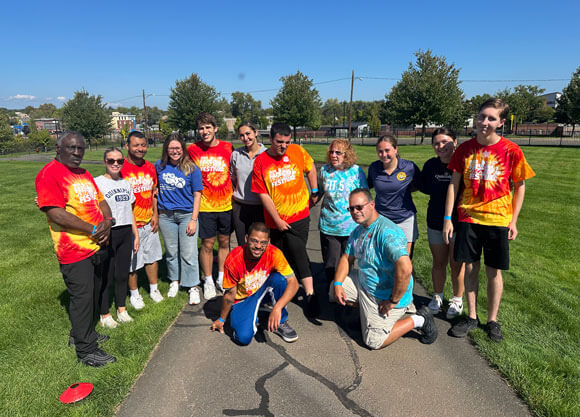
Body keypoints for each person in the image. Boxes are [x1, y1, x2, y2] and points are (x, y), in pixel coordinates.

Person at [443, 98, 535, 342]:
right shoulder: (464, 149)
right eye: (482, 116)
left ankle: (492, 320)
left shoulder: (511, 150)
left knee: (493, 271)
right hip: (468, 217)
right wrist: (447, 218)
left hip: (497, 219)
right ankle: (472, 317)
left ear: (501, 122)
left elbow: (520, 186)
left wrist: (513, 221)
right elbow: (453, 184)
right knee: (471, 267)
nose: (484, 122)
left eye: (491, 118)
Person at [35, 131, 116, 367]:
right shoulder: (50, 174)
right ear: (58, 148)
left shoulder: (83, 173)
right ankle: (86, 350)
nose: (77, 153)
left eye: (80, 148)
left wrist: (107, 222)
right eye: (72, 148)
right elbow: (56, 214)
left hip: (97, 245)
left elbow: (101, 201)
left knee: (93, 294)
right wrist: (93, 229)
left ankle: (83, 333)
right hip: (74, 250)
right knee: (82, 298)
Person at [332, 189, 437, 350]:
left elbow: (405, 269)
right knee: (335, 289)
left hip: (387, 294)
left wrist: (393, 301)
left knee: (373, 341)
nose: (355, 212)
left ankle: (419, 319)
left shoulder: (387, 232)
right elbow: (347, 258)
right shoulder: (358, 231)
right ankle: (371, 316)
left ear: (372, 205)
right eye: (351, 208)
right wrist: (338, 283)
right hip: (366, 284)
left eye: (359, 207)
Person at [252, 122, 320, 316]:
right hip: (275, 221)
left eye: (287, 142)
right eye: (279, 142)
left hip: (300, 216)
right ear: (271, 140)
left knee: (298, 252)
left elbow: (311, 167)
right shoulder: (261, 162)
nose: (283, 146)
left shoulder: (297, 151)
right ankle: (285, 293)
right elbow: (263, 195)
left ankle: (309, 293)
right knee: (283, 257)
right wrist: (277, 220)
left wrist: (314, 190)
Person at [210, 222, 299, 344]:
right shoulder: (234, 259)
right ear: (246, 239)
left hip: (263, 292)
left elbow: (293, 283)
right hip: (243, 299)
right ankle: (249, 315)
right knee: (243, 338)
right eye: (254, 241)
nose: (258, 246)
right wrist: (222, 318)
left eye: (263, 242)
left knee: (280, 279)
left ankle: (281, 322)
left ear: (268, 242)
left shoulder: (274, 253)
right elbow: (230, 294)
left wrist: (277, 308)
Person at [419, 128, 465, 319]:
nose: (441, 147)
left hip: (459, 223)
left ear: (455, 141)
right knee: (438, 263)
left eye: (445, 142)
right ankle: (437, 297)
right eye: (437, 143)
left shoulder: (464, 164)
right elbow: (422, 186)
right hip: (435, 221)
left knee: (457, 265)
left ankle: (457, 300)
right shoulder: (431, 165)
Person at [188, 112, 234, 299]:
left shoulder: (228, 147)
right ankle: (207, 280)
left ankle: (221, 277)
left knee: (224, 243)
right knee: (207, 244)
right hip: (205, 206)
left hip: (226, 204)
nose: (204, 131)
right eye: (201, 128)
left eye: (208, 127)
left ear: (215, 129)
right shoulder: (192, 149)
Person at [94, 147, 140, 328]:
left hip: (125, 231)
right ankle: (104, 313)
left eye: (119, 161)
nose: (115, 164)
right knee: (106, 274)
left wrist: (135, 234)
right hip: (108, 233)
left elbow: (130, 210)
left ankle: (121, 309)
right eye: (111, 160)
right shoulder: (97, 183)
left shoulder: (125, 183)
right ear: (104, 162)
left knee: (122, 273)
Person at [156, 133, 203, 305]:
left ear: (183, 149)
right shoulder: (159, 167)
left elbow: (197, 195)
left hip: (186, 215)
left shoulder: (191, 168)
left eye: (178, 148)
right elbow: (154, 188)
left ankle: (192, 286)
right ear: (166, 150)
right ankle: (174, 281)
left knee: (189, 253)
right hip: (166, 216)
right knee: (171, 252)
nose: (175, 151)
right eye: (171, 148)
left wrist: (193, 219)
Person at [122, 131, 164, 309]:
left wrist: (156, 214)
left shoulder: (149, 167)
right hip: (130, 224)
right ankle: (134, 293)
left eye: (143, 145)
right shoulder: (120, 168)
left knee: (152, 257)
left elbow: (154, 192)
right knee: (133, 261)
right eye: (136, 145)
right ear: (127, 146)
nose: (140, 149)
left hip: (149, 221)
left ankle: (154, 289)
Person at [318, 139, 368, 286]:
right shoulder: (324, 171)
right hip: (329, 225)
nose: (334, 155)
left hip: (351, 227)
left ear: (347, 155)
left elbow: (363, 196)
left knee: (347, 262)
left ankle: (344, 292)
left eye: (338, 153)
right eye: (331, 152)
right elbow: (319, 192)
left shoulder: (356, 171)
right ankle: (331, 293)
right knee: (330, 264)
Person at [367, 135, 421, 257]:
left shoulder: (409, 167)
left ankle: (409, 276)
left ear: (396, 149)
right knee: (383, 258)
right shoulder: (374, 168)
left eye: (387, 150)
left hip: (405, 218)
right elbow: (366, 187)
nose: (384, 154)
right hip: (382, 219)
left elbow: (420, 185)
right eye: (380, 151)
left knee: (404, 260)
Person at [230, 122, 266, 245]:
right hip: (240, 207)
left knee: (258, 245)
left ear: (255, 133)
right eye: (241, 135)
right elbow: (233, 178)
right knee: (243, 244)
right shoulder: (236, 155)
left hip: (261, 207)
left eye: (248, 133)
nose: (245, 138)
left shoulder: (267, 154)